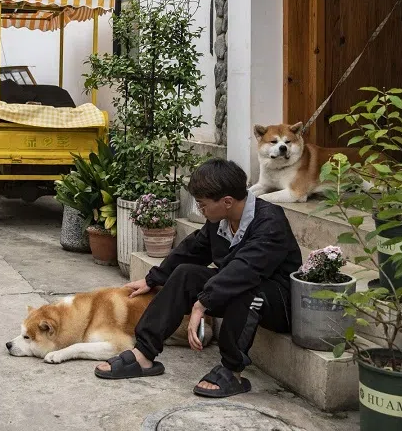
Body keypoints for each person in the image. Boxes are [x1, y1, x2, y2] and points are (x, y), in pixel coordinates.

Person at [94, 158, 302, 398]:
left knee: (248, 290)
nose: (199, 210)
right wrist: (153, 278)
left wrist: (202, 302)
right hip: (235, 288)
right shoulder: (221, 220)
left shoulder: (270, 221)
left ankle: (232, 370)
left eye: (202, 205)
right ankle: (143, 354)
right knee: (185, 274)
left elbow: (244, 270)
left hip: (277, 303)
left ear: (227, 202)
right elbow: (192, 250)